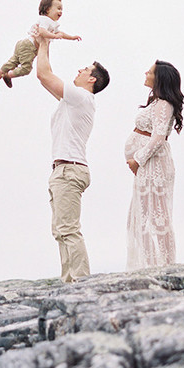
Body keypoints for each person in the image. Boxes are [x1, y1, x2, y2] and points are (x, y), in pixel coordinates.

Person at [36, 35, 110, 281]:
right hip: (62, 170)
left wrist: (44, 42)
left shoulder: (82, 97)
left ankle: (79, 280)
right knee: (60, 230)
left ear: (92, 79)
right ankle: (69, 280)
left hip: (70, 170)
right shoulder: (73, 101)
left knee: (68, 229)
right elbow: (46, 80)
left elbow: (43, 75)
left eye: (85, 69)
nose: (79, 70)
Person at [125, 60, 184, 269]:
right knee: (144, 214)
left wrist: (137, 160)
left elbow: (159, 138)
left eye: (149, 72)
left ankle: (164, 264)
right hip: (148, 165)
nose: (145, 73)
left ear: (159, 78)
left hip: (153, 165)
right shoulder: (156, 103)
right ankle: (148, 263)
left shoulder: (163, 104)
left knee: (157, 215)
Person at [0, 0, 81, 92]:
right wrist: (54, 36)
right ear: (47, 9)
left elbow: (61, 33)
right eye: (58, 8)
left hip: (24, 44)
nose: (61, 11)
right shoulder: (45, 20)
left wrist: (71, 37)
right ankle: (8, 75)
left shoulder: (51, 23)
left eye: (62, 9)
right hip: (29, 46)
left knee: (13, 62)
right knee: (26, 69)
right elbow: (42, 32)